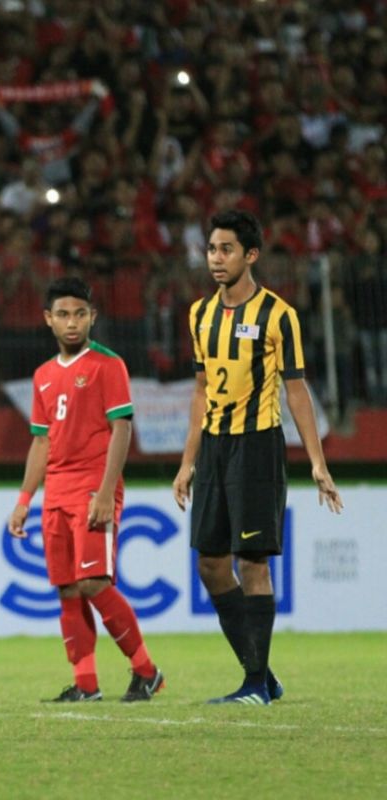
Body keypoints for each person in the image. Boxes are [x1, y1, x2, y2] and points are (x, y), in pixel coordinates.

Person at [173, 209, 343, 704]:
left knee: (252, 563)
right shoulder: (199, 314)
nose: (216, 258)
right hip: (214, 447)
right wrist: (188, 461)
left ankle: (254, 686)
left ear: (250, 255)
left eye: (226, 250)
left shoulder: (278, 315)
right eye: (211, 249)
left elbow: (296, 390)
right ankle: (261, 675)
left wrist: (317, 462)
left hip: (257, 446)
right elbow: (201, 390)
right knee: (210, 565)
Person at [8, 277, 164, 703]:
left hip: (93, 488)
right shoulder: (42, 376)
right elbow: (41, 442)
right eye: (63, 314)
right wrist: (24, 500)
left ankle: (147, 671)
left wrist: (106, 491)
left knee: (94, 582)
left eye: (80, 314)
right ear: (48, 319)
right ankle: (86, 684)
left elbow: (122, 429)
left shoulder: (107, 365)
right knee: (68, 589)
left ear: (92, 317)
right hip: (56, 494)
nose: (72, 322)